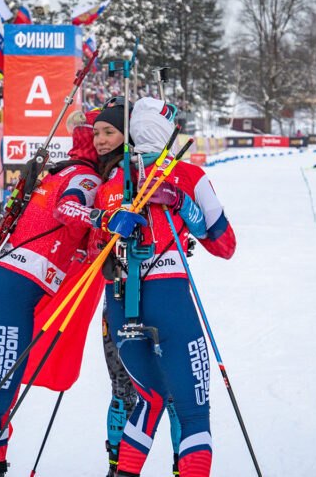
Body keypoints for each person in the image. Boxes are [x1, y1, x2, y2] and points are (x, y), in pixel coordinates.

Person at [85, 97, 236, 477]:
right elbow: (224, 244)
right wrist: (183, 204)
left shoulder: (111, 180)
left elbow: (93, 250)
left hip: (119, 303)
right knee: (192, 411)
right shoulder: (188, 173)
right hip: (169, 298)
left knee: (148, 400)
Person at [0, 111, 104, 477]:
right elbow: (68, 210)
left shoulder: (60, 169)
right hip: (13, 288)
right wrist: (104, 221)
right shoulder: (85, 176)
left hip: (5, 284)